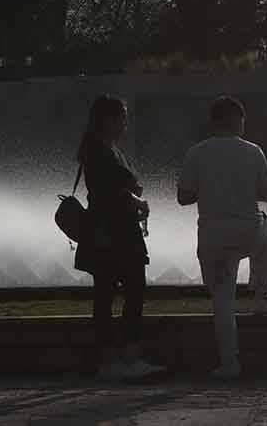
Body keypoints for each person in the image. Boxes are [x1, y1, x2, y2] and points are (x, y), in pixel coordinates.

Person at [178, 96, 267, 379]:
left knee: (222, 300)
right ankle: (262, 294)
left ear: (213, 121)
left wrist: (209, 190)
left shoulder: (196, 152)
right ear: (237, 120)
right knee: (266, 225)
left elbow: (184, 198)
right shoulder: (253, 151)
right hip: (248, 232)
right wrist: (244, 190)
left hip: (213, 237)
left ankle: (229, 364)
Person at [74, 95, 164, 381]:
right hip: (112, 233)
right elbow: (107, 190)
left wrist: (133, 200)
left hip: (115, 231)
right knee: (124, 290)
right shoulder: (98, 151)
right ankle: (121, 359)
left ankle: (117, 360)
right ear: (109, 120)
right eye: (122, 117)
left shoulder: (104, 148)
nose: (126, 122)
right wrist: (136, 202)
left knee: (113, 292)